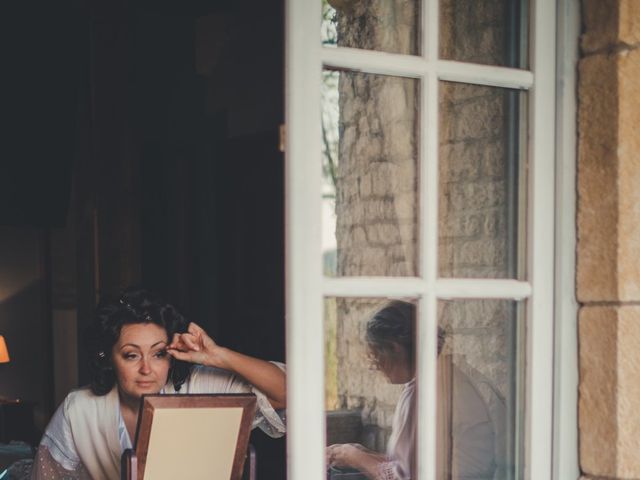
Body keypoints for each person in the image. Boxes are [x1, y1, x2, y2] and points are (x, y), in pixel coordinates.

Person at [31, 288, 286, 480]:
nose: (146, 369)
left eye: (158, 354)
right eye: (131, 355)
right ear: (108, 357)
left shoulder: (201, 388)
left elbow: (291, 393)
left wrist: (219, 355)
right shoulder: (79, 410)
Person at [326, 300, 496, 480]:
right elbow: (417, 464)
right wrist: (364, 454)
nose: (374, 366)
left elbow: (407, 476)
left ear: (395, 348)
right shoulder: (440, 376)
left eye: (375, 355)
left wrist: (356, 457)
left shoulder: (428, 392)